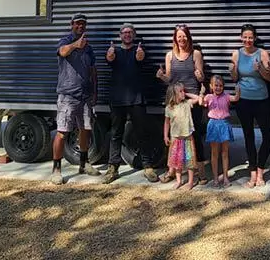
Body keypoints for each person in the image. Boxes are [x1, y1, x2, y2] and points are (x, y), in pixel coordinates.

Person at [103, 23, 159, 184]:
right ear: (120, 35)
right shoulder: (114, 51)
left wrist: (140, 57)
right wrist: (109, 56)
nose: (127, 35)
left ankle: (148, 166)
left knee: (142, 133)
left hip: (137, 98)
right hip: (117, 99)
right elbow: (109, 61)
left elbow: (142, 62)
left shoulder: (139, 51)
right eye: (124, 32)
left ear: (134, 35)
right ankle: (113, 167)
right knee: (116, 134)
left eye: (130, 32)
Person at [50, 12, 101, 185]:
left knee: (85, 129)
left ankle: (84, 163)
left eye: (83, 24)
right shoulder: (65, 41)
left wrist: (95, 92)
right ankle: (56, 169)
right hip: (68, 95)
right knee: (63, 132)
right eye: (77, 23)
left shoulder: (88, 47)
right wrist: (75, 45)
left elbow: (93, 70)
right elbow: (62, 52)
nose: (80, 26)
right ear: (71, 24)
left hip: (85, 96)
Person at [156, 24, 208, 184]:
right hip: (175, 101)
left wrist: (200, 76)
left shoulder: (196, 54)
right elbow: (169, 79)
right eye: (179, 36)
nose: (182, 39)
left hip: (191, 101)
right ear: (175, 38)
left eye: (184, 35)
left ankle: (201, 172)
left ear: (188, 37)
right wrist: (161, 76)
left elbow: (201, 78)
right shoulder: (169, 55)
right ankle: (172, 170)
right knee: (174, 136)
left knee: (195, 136)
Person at [229, 23, 270, 187]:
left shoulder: (262, 53)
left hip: (261, 99)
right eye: (245, 37)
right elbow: (234, 78)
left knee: (268, 137)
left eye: (250, 37)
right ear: (241, 37)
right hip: (243, 101)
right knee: (248, 136)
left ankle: (261, 168)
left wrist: (261, 69)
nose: (248, 40)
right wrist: (232, 70)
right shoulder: (236, 54)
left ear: (255, 38)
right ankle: (253, 172)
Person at [201, 75, 240, 188]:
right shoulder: (208, 97)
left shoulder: (226, 96)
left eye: (221, 86)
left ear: (223, 87)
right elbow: (201, 103)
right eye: (216, 85)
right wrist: (201, 93)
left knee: (225, 152)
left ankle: (226, 178)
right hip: (213, 124)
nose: (218, 88)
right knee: (214, 153)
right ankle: (215, 178)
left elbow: (236, 98)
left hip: (224, 124)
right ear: (211, 86)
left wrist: (238, 90)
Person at [163, 82, 201, 190]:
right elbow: (166, 123)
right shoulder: (169, 108)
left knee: (190, 161)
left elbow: (198, 98)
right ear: (173, 94)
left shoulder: (187, 104)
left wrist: (187, 93)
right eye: (180, 91)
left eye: (183, 91)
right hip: (176, 139)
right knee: (177, 161)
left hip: (187, 138)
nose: (183, 93)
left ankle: (190, 181)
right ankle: (179, 180)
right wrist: (165, 136)